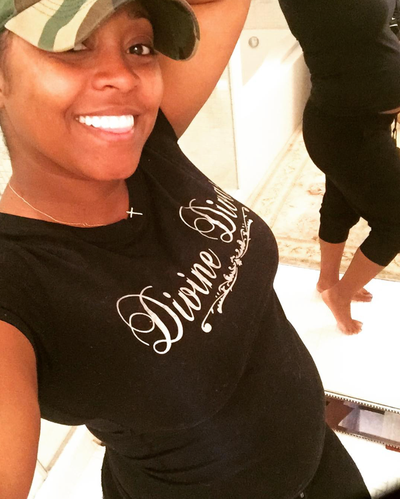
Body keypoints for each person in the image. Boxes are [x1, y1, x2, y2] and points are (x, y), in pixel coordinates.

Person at [0, 1, 371, 498]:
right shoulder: (15, 284)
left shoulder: (147, 142)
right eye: (71, 47)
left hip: (318, 453)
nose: (124, 76)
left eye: (138, 47)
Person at [278, 0, 400, 335]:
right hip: (344, 130)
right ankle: (340, 295)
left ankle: (327, 280)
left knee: (340, 203)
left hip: (350, 123)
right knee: (396, 219)